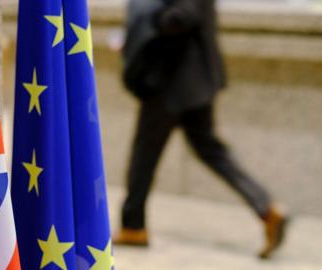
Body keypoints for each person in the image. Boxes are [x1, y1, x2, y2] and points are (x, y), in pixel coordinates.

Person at [114, 0, 289, 259]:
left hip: (173, 81)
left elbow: (183, 15)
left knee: (144, 156)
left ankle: (133, 226)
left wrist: (146, 25)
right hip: (193, 81)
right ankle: (266, 208)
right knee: (210, 150)